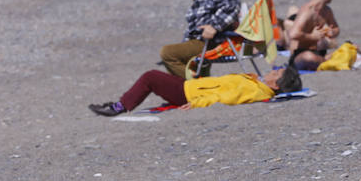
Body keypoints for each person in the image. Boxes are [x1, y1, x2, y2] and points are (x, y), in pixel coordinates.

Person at [87, 66, 302, 116]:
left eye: (277, 73)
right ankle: (122, 103)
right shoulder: (258, 85)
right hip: (192, 86)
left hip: (189, 93)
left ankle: (120, 106)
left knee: (150, 77)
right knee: (156, 77)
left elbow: (224, 97)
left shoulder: (254, 89)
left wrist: (197, 103)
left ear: (275, 85)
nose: (272, 71)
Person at [160, 0, 241, 79]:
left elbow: (232, 2)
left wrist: (214, 26)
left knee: (167, 53)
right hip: (203, 41)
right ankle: (197, 87)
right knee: (173, 72)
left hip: (210, 42)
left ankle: (200, 85)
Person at [287, 0, 340, 71]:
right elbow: (293, 34)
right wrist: (312, 36)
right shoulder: (307, 11)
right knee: (309, 57)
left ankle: (325, 61)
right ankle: (326, 62)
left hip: (319, 52)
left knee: (347, 49)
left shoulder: (327, 11)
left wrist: (332, 32)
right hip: (300, 54)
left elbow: (336, 28)